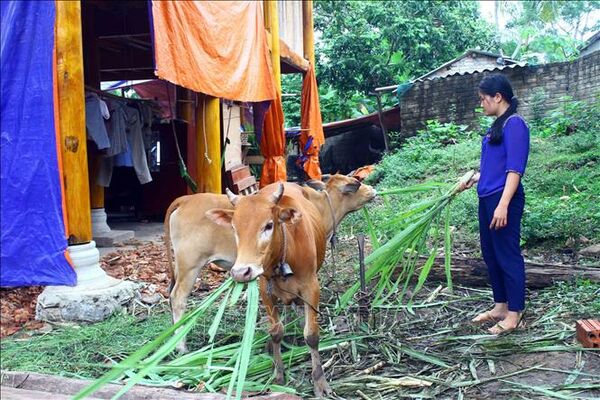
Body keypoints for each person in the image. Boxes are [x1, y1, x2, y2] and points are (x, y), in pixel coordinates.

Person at [459, 74, 530, 335]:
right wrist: (475, 178)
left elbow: (514, 170)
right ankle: (500, 305)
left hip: (504, 200)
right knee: (491, 254)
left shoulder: (515, 124)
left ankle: (514, 313)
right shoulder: (497, 126)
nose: (481, 104)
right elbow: (495, 167)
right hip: (487, 197)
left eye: (482, 99)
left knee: (507, 255)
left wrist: (503, 205)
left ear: (497, 97)